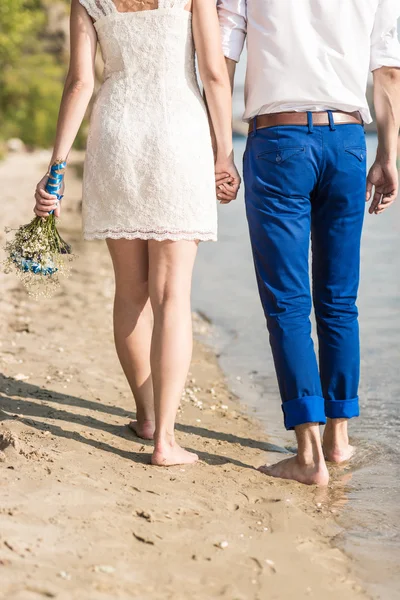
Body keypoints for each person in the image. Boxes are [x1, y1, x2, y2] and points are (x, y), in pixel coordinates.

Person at [34, 0, 240, 467]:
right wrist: (224, 153)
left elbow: (80, 83)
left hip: (117, 132)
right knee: (172, 296)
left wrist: (57, 168)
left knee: (131, 291)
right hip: (179, 133)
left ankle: (145, 416)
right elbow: (212, 73)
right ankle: (165, 440)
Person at [217, 0, 400, 485]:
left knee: (289, 305)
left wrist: (218, 149)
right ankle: (339, 440)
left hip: (278, 142)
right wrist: (388, 154)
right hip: (346, 141)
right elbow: (388, 71)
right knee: (340, 301)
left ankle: (307, 455)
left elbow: (222, 58)